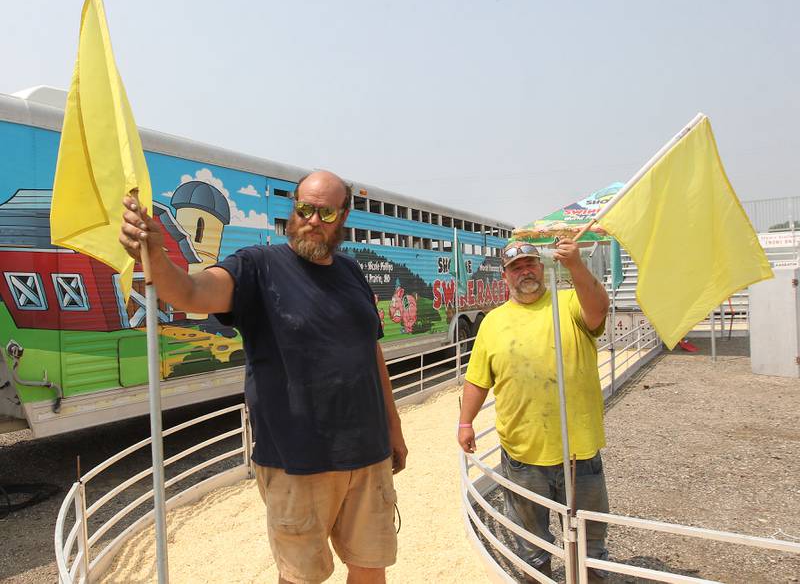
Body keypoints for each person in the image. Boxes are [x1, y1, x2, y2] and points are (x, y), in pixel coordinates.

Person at [120, 170, 407, 584]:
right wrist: (158, 258)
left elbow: (371, 353)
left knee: (370, 567)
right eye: (304, 208)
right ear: (293, 210)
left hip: (369, 454)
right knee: (300, 578)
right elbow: (191, 292)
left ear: (343, 216)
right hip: (297, 462)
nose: (312, 219)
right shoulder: (258, 266)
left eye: (325, 212)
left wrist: (394, 430)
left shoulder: (351, 272)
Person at [457, 238, 610, 582]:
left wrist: (575, 265)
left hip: (579, 452)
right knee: (531, 544)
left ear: (542, 268)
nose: (524, 271)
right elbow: (478, 378)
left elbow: (599, 310)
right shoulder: (493, 322)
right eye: (516, 267)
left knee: (591, 544)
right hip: (523, 454)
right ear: (505, 276)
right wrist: (465, 421)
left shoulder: (569, 302)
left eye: (530, 264)